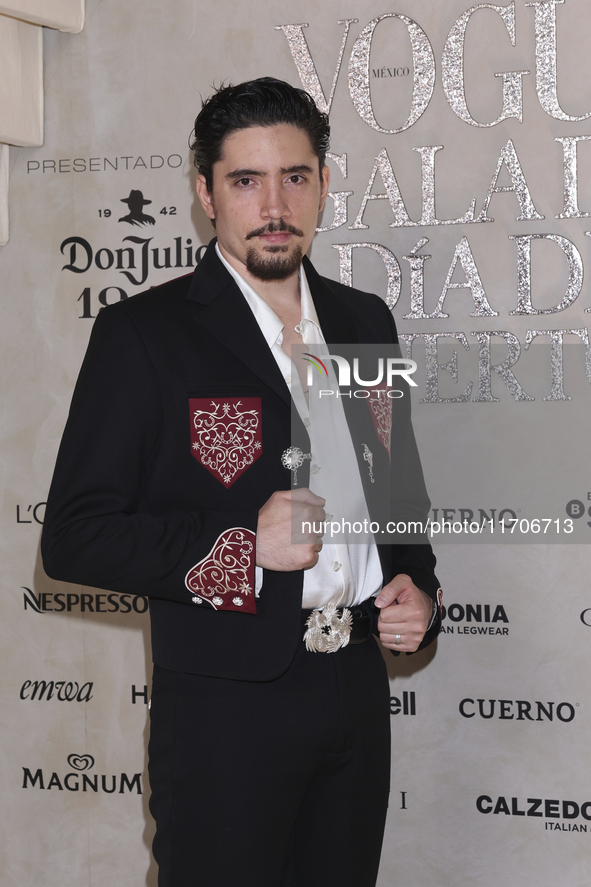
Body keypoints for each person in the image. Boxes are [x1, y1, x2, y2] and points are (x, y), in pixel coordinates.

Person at [42, 77, 441, 887]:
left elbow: (396, 508)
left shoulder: (365, 321)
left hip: (356, 697)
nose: (274, 204)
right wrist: (240, 545)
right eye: (245, 180)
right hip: (226, 713)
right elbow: (75, 536)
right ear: (204, 192)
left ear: (324, 183)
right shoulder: (143, 334)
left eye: (294, 176)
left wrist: (417, 590)